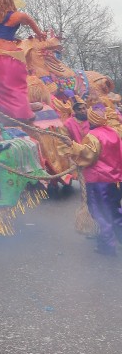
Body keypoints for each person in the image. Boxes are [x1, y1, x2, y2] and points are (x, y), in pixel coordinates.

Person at [72, 102, 122, 256]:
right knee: (115, 211)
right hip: (114, 180)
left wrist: (73, 147)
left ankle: (107, 246)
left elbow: (88, 156)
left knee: (101, 213)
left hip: (98, 181)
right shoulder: (113, 132)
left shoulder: (92, 136)